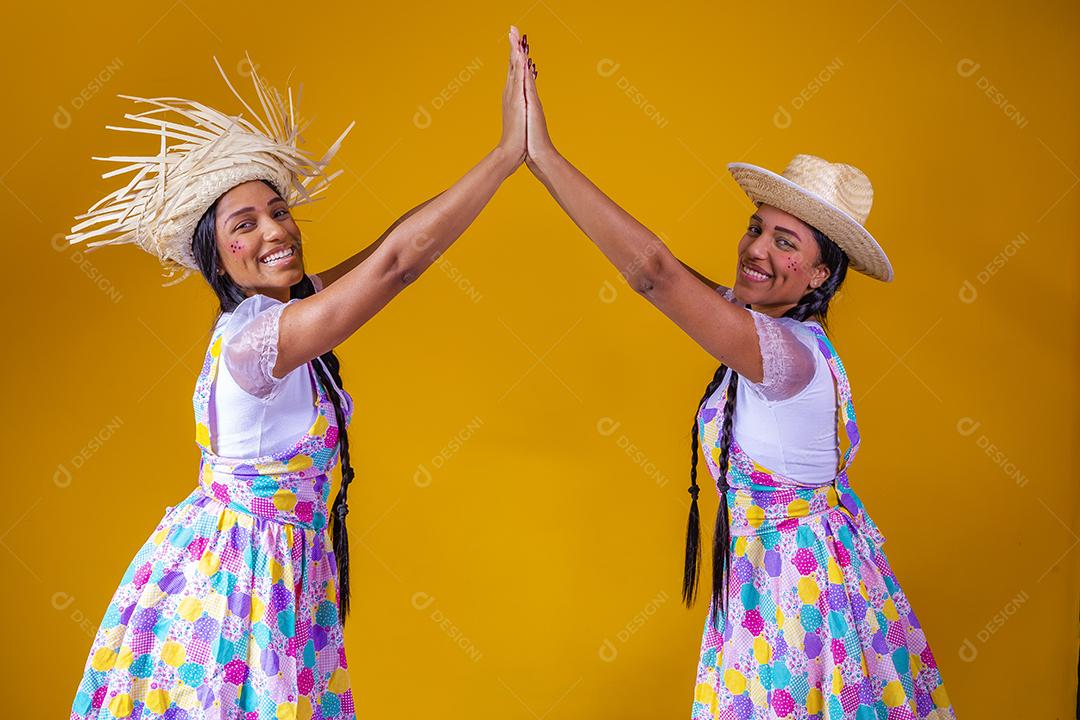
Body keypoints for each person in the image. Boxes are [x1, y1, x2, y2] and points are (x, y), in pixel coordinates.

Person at [64, 30, 531, 720]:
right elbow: (398, 267)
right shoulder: (258, 341)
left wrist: (498, 155)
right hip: (239, 590)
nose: (275, 231)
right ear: (217, 258)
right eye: (245, 224)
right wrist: (507, 155)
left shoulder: (282, 314)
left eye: (279, 212)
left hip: (273, 573)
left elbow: (393, 247)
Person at [516, 32, 956, 720]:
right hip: (776, 585)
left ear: (820, 274)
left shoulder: (787, 358)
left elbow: (654, 275)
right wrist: (540, 167)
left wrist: (544, 155)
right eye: (756, 228)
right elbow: (674, 277)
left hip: (798, 603)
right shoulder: (772, 335)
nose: (756, 250)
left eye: (786, 242)